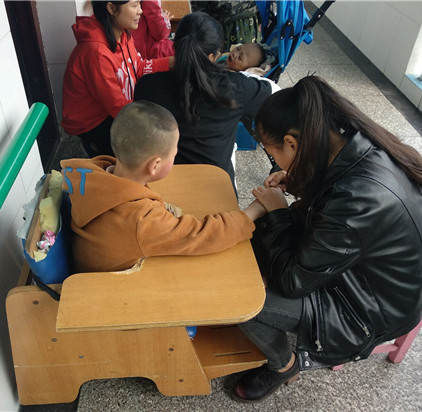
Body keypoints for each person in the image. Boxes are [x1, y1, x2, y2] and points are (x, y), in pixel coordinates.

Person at [231, 75, 422, 402]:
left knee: (241, 301)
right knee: (256, 244)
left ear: (292, 143)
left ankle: (284, 366)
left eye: (273, 153)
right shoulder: (356, 142)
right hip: (363, 269)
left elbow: (294, 281)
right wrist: (298, 180)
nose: (275, 162)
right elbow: (336, 196)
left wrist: (279, 212)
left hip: (370, 309)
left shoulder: (358, 199)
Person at [60, 101, 268, 273]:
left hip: (86, 267)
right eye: (174, 153)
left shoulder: (93, 171)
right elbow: (201, 235)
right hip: (107, 291)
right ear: (155, 165)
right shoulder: (141, 221)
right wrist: (254, 211)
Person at [134, 12, 278, 187]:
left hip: (160, 184)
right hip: (216, 187)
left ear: (175, 45)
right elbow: (277, 94)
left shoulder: (147, 86)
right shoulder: (237, 87)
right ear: (212, 57)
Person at [62, 1, 174, 158]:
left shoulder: (123, 35)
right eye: (134, 5)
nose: (140, 11)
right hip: (94, 124)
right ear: (111, 8)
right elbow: (118, 107)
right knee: (151, 147)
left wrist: (173, 62)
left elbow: (138, 67)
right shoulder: (95, 52)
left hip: (115, 109)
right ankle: (94, 149)